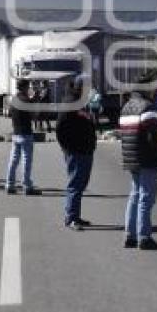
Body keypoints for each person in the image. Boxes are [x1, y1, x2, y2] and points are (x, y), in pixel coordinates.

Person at [119, 72, 157, 250]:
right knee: (146, 199)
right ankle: (144, 237)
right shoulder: (148, 108)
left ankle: (130, 235)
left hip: (131, 158)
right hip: (148, 159)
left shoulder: (126, 107)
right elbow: (154, 138)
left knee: (134, 196)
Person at [56, 79, 96, 229]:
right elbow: (60, 128)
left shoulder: (80, 102)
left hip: (85, 149)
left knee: (80, 184)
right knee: (75, 184)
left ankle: (75, 216)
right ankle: (71, 217)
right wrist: (67, 147)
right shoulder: (70, 103)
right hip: (76, 150)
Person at [6, 79, 41, 196]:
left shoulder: (14, 100)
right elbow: (34, 116)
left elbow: (10, 114)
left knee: (14, 159)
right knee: (26, 160)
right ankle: (26, 185)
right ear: (25, 87)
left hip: (16, 132)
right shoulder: (27, 101)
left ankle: (9, 184)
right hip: (26, 132)